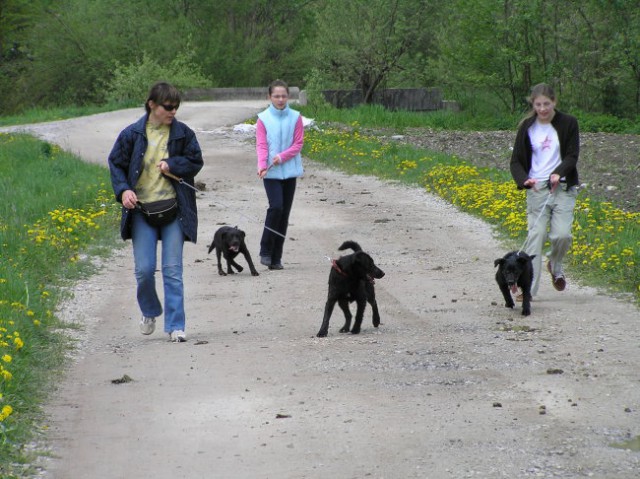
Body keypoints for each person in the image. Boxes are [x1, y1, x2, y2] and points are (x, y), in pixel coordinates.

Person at [108, 82, 203, 342]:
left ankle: (176, 326)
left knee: (173, 270)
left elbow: (196, 161)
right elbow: (115, 164)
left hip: (174, 209)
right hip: (141, 211)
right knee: (145, 270)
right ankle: (149, 310)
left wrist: (172, 163)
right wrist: (124, 191)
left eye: (176, 107)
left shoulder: (183, 134)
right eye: (168, 107)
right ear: (152, 104)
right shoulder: (131, 134)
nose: (173, 111)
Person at [510, 82, 580, 298]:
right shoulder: (527, 127)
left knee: (562, 236)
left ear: (554, 102)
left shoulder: (569, 123)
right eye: (538, 104)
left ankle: (555, 265)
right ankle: (528, 289)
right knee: (536, 236)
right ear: (533, 104)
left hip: (563, 187)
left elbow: (572, 154)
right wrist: (524, 180)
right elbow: (516, 162)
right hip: (538, 189)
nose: (542, 109)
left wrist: (559, 172)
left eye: (546, 104)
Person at [256, 79, 304, 270]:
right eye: (276, 96)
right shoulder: (263, 118)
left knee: (284, 214)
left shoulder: (296, 117)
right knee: (275, 207)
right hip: (271, 172)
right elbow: (261, 144)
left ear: (288, 97)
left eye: (283, 96)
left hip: (289, 171)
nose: (280, 99)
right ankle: (265, 250)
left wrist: (282, 157)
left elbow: (298, 144)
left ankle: (276, 258)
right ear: (270, 97)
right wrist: (262, 164)